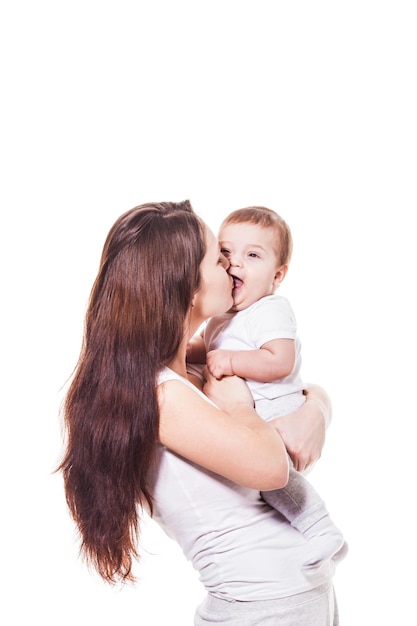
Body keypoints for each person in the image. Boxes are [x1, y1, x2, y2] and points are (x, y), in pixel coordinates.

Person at [58, 200, 341, 625]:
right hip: (260, 608)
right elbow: (271, 468)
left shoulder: (188, 372)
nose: (231, 267)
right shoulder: (161, 397)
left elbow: (297, 388)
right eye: (218, 257)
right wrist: (238, 404)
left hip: (293, 595)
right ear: (189, 287)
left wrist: (317, 406)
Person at [187, 206, 347, 574]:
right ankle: (298, 540)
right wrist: (190, 349)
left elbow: (280, 360)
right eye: (225, 253)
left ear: (278, 276)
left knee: (276, 484)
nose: (235, 264)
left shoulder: (270, 310)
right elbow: (205, 349)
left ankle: (323, 531)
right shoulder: (224, 317)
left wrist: (231, 362)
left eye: (252, 255)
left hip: (277, 416)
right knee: (262, 490)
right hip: (255, 422)